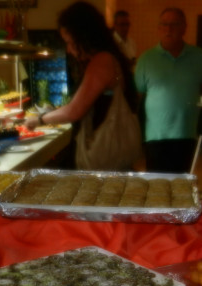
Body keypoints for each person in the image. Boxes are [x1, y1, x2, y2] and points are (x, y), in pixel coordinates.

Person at [25, 2, 141, 171]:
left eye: (70, 42)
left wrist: (38, 120)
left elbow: (74, 111)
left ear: (85, 38)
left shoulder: (102, 61)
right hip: (113, 157)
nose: (69, 50)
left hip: (106, 158)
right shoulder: (110, 56)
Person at [134, 7, 202, 173]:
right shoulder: (146, 59)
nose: (168, 29)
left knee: (182, 182)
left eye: (174, 24)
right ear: (158, 28)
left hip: (186, 134)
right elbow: (136, 98)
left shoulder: (199, 57)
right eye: (164, 24)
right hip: (155, 136)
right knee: (156, 183)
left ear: (184, 28)